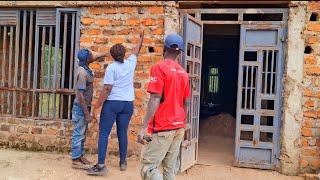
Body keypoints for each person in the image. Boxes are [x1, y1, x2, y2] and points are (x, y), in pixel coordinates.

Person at [87, 30, 144, 176]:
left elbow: (107, 89)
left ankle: (100, 165)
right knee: (122, 133)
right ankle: (123, 162)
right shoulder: (131, 63)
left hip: (113, 104)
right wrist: (141, 38)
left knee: (104, 133)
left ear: (112, 56)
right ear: (125, 54)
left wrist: (97, 105)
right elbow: (136, 51)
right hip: (127, 104)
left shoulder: (112, 67)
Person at [138, 34, 190, 180]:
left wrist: (143, 127)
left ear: (164, 48)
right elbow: (186, 102)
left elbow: (155, 98)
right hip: (178, 127)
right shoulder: (184, 74)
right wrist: (182, 124)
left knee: (148, 168)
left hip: (162, 127)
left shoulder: (159, 68)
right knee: (170, 170)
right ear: (180, 52)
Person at [71, 49, 108, 169]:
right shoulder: (82, 73)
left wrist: (106, 53)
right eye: (91, 55)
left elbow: (95, 57)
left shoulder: (85, 66)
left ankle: (80, 156)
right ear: (87, 59)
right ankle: (75, 159)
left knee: (82, 133)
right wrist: (86, 113)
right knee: (78, 133)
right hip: (81, 107)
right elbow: (80, 95)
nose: (93, 56)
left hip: (84, 106)